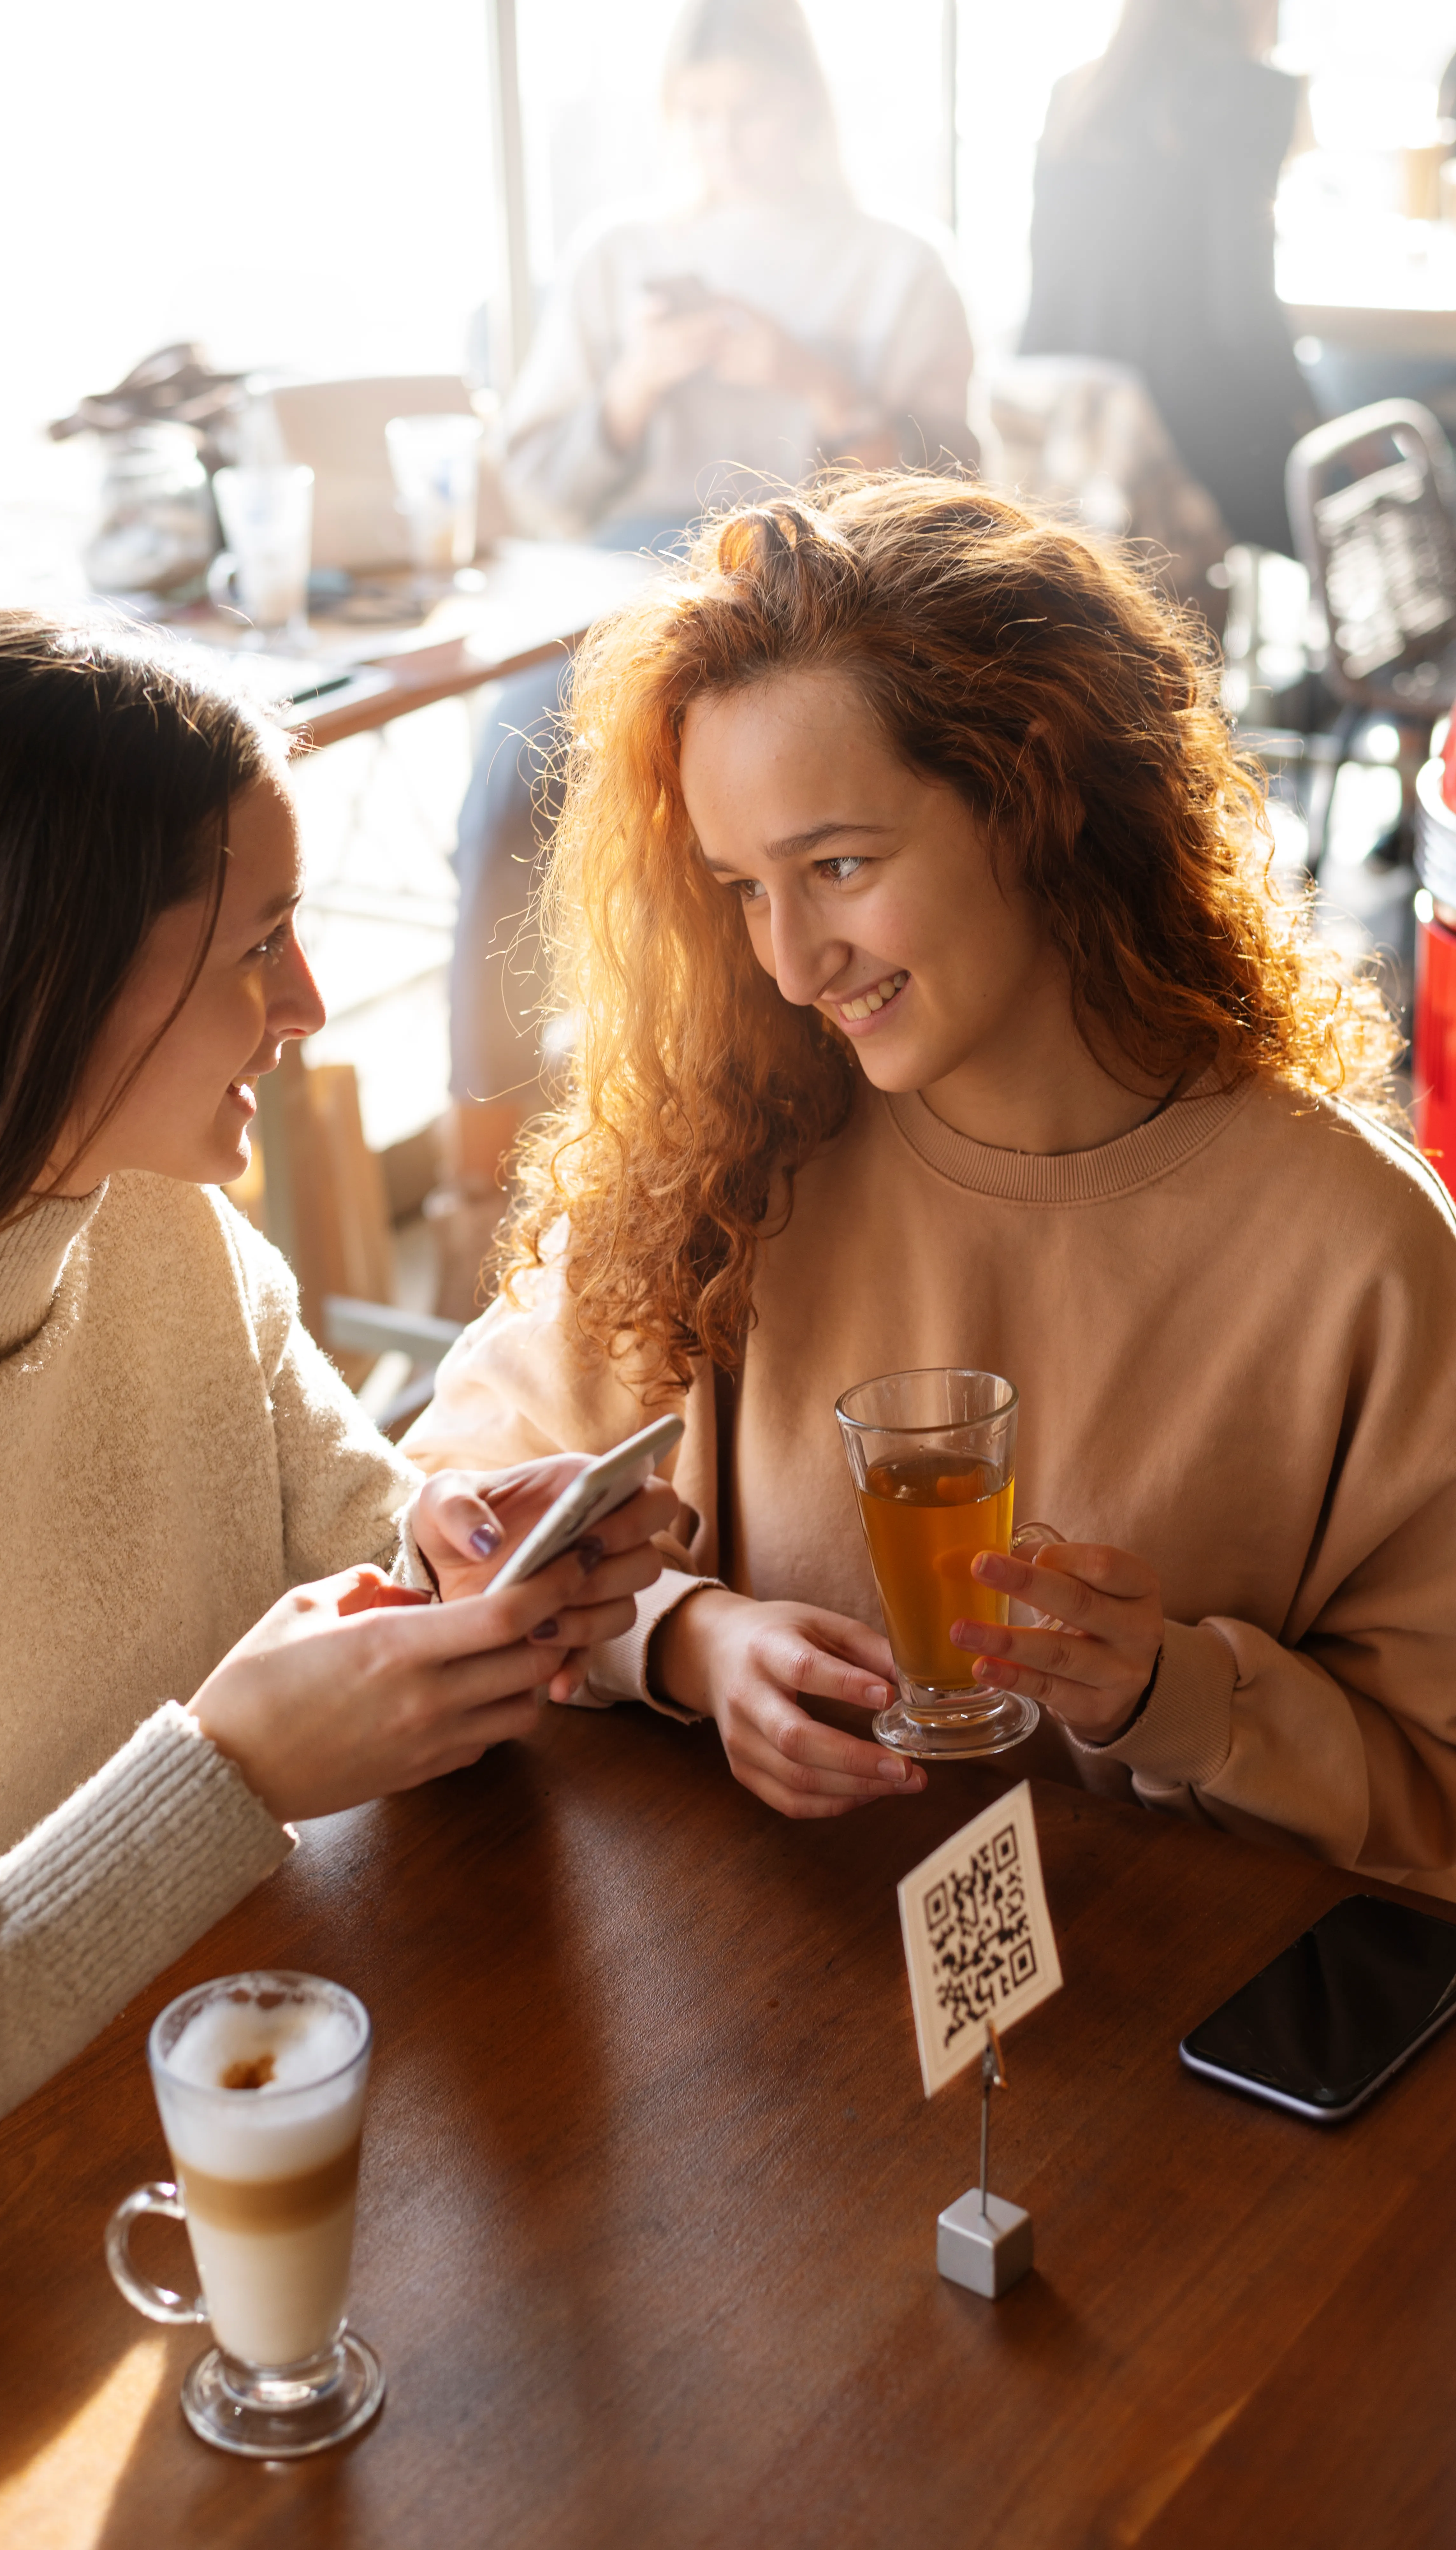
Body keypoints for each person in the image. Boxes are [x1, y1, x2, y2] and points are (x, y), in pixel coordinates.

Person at [0, 606, 675, 2287]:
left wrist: (477, 1569)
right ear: (36, 975)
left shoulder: (163, 1231)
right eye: (261, 941)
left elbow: (360, 1544)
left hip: (191, 2190)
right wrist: (223, 1777)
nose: (313, 1005)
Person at [406, 472, 1456, 1900]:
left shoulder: (1363, 1255)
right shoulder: (729, 1148)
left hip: (1163, 2052)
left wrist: (1180, 1695)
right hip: (772, 2005)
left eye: (836, 865)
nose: (789, 964)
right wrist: (682, 1640)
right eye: (741, 890)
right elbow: (448, 1508)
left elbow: (1433, 1803)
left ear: (1038, 803)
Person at [434, 0, 976, 1316]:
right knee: (512, 789)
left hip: (818, 592)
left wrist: (806, 379)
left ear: (807, 111)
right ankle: (481, 1162)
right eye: (699, 118)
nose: (724, 144)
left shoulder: (895, 268)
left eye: (750, 113)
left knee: (783, 815)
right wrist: (635, 384)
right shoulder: (620, 258)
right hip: (623, 575)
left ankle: (774, 1112)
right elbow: (540, 484)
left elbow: (953, 499)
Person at [1019, 0, 1313, 556]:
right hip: (1188, 431)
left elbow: (1047, 292)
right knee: (1371, 480)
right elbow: (1243, 315)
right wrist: (1312, 418)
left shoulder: (1075, 92)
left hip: (1078, 438)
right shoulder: (1251, 93)